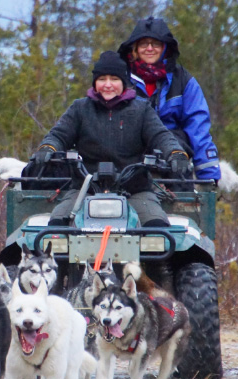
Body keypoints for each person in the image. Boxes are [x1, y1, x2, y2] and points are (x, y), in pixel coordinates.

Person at [32, 51, 189, 228]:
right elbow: (58, 135)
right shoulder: (80, 108)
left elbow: (161, 136)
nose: (108, 85)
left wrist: (175, 153)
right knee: (56, 226)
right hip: (84, 190)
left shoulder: (141, 109)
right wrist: (48, 147)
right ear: (95, 82)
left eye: (114, 79)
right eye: (102, 79)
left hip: (135, 190)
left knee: (158, 229)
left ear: (123, 82)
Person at [118, 17, 221, 182]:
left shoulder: (183, 81)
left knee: (177, 145)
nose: (150, 48)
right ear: (135, 48)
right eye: (144, 44)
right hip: (127, 162)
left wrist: (209, 176)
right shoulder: (118, 80)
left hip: (174, 164)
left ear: (165, 47)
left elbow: (198, 128)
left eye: (156, 44)